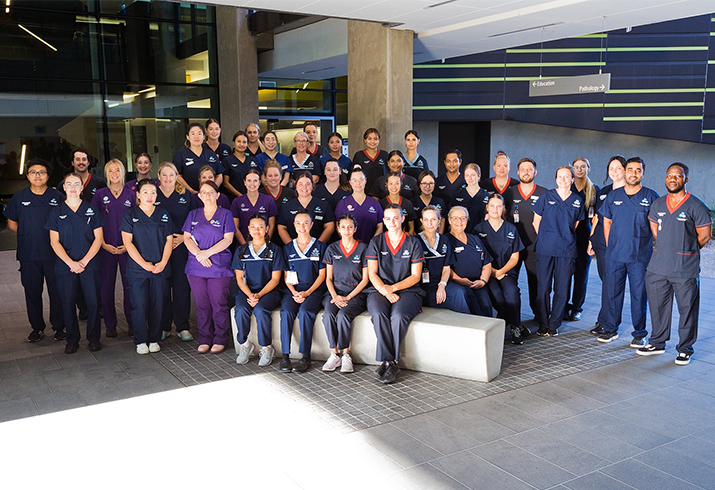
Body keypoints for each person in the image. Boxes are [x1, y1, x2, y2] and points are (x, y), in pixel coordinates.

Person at [638, 163, 711, 365]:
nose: (673, 179)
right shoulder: (658, 204)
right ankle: (657, 342)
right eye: (669, 175)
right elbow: (655, 230)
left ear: (685, 179)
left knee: (687, 309)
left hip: (684, 269)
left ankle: (685, 348)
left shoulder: (696, 206)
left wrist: (686, 251)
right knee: (658, 307)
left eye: (677, 176)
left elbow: (704, 236)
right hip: (658, 267)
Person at [596, 157, 658, 346]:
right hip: (615, 255)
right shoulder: (614, 196)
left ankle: (639, 333)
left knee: (639, 295)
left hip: (639, 257)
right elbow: (606, 221)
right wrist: (611, 244)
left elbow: (656, 225)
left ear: (643, 173)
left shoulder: (651, 196)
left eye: (637, 170)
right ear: (625, 172)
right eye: (630, 169)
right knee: (612, 293)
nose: (633, 173)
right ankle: (610, 329)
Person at [3, 158, 65, 342]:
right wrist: (29, 233)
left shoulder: (57, 197)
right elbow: (12, 224)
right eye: (33, 172)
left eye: (42, 172)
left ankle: (59, 327)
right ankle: (37, 328)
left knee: (57, 292)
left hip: (54, 254)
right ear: (28, 175)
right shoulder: (20, 197)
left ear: (48, 175)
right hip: (29, 254)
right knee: (32, 291)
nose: (38, 176)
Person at [366, 204, 425, 384]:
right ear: (383, 221)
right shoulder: (376, 242)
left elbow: (415, 276)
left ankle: (389, 361)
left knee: (398, 316)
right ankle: (389, 361)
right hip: (380, 288)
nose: (392, 221)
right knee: (378, 313)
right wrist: (385, 289)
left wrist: (393, 288)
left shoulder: (413, 242)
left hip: (408, 290)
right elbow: (372, 273)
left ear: (402, 219)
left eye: (395, 218)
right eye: (388, 218)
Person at [46, 173, 104, 354]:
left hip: (90, 264)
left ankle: (94, 338)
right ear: (64, 187)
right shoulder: (56, 212)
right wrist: (71, 263)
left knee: (93, 302)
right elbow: (54, 242)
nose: (72, 187)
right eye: (68, 184)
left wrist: (84, 262)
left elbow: (98, 238)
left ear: (81, 188)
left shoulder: (91, 210)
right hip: (65, 265)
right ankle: (72, 340)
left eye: (76, 184)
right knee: (68, 302)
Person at [183, 181, 236, 354]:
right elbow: (187, 238)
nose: (207, 195)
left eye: (211, 192)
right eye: (203, 192)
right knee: (201, 304)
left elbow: (228, 239)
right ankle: (205, 338)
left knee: (218, 303)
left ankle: (221, 338)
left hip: (218, 266)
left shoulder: (225, 214)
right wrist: (199, 254)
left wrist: (207, 254)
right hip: (196, 267)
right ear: (199, 196)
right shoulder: (193, 214)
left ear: (217, 195)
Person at [120, 179, 173, 355]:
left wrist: (163, 263)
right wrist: (144, 264)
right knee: (139, 305)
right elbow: (128, 243)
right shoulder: (130, 215)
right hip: (138, 270)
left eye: (153, 193)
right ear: (138, 195)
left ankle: (154, 338)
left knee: (158, 305)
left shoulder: (163, 214)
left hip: (159, 268)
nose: (149, 196)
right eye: (145, 192)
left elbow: (169, 240)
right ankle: (141, 340)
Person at [532, 166, 585, 337]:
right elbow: (536, 223)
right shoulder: (546, 197)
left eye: (567, 177)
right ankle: (543, 322)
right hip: (546, 249)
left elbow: (575, 226)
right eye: (560, 176)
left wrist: (562, 237)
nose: (563, 180)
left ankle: (554, 324)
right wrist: (548, 238)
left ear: (572, 179)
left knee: (562, 289)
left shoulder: (577, 201)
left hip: (566, 250)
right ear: (556, 179)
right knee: (543, 287)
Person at [233, 214, 285, 367]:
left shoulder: (275, 250)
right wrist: (250, 294)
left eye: (261, 227)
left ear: (267, 228)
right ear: (248, 229)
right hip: (247, 290)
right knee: (241, 309)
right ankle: (244, 344)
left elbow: (275, 279)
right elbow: (239, 278)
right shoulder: (241, 250)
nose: (257, 230)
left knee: (261, 310)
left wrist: (259, 295)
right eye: (253, 227)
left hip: (269, 291)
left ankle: (266, 347)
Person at [473, 194, 526, 344]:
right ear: (487, 207)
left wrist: (500, 272)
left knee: (511, 292)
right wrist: (493, 272)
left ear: (503, 208)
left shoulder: (511, 229)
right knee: (497, 296)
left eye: (498, 206)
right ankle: (514, 323)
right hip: (487, 272)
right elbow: (477, 256)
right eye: (492, 206)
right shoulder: (479, 229)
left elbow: (515, 258)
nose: (495, 209)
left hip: (507, 271)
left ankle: (515, 327)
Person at [279, 211, 327, 373]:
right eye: (298, 223)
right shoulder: (287, 248)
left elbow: (322, 275)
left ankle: (305, 356)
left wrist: (307, 292)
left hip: (313, 291)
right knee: (286, 312)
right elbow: (286, 275)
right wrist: (294, 292)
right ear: (294, 225)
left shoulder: (320, 247)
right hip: (292, 290)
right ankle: (285, 356)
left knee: (306, 312)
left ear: (311, 225)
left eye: (305, 223)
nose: (302, 226)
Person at [91, 159, 135, 338]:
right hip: (106, 247)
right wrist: (102, 244)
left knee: (130, 287)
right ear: (106, 174)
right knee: (106, 287)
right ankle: (110, 324)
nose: (114, 174)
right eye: (111, 171)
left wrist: (129, 245)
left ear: (123, 172)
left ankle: (133, 322)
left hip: (127, 248)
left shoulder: (131, 194)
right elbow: (94, 222)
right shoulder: (100, 194)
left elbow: (136, 222)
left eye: (117, 170)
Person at [321, 214, 369, 373]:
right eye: (343, 227)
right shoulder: (332, 248)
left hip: (355, 293)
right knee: (328, 314)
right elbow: (328, 278)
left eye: (350, 227)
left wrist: (348, 297)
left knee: (343, 315)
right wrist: (335, 296)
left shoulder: (363, 249)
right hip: (335, 292)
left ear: (355, 228)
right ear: (338, 229)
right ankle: (334, 354)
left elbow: (365, 280)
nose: (346, 230)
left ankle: (346, 354)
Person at [154, 162, 195, 342]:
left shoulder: (185, 195)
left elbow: (195, 220)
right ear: (159, 177)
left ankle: (182, 326)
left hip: (181, 247)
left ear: (177, 176)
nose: (168, 179)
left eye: (172, 175)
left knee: (181, 287)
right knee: (162, 288)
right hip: (158, 249)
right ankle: (164, 326)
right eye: (164, 175)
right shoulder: (153, 195)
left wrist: (182, 238)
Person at [503, 158, 547, 320]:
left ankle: (538, 313)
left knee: (535, 281)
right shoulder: (510, 193)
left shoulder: (543, 193)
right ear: (517, 172)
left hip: (534, 246)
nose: (526, 172)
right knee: (510, 282)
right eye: (523, 169)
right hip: (513, 246)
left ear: (535, 172)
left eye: (530, 169)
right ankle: (511, 316)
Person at [587, 155, 626, 336]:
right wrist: (591, 240)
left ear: (625, 170)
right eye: (611, 168)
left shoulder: (630, 191)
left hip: (618, 245)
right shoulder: (603, 191)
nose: (614, 172)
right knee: (607, 283)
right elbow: (596, 218)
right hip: (601, 243)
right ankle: (605, 319)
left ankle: (609, 323)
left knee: (613, 284)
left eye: (618, 168)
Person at [417, 205, 471, 315]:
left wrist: (442, 286)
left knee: (460, 292)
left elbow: (446, 268)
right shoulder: (415, 241)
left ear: (439, 220)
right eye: (426, 220)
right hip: (422, 286)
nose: (430, 223)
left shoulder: (444, 240)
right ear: (421, 221)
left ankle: (466, 326)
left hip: (441, 282)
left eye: (433, 219)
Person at [564, 157, 599, 321]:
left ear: (588, 169)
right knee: (564, 274)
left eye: (582, 167)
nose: (579, 170)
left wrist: (592, 240)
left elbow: (596, 217)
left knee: (581, 274)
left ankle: (577, 307)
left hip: (585, 235)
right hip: (567, 235)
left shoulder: (594, 189)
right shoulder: (567, 187)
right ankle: (563, 306)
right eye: (576, 167)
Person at [446, 206, 494, 317]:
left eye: (463, 218)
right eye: (455, 218)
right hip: (459, 284)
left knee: (486, 306)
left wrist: (483, 281)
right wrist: (459, 280)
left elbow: (486, 263)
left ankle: (488, 333)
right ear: (449, 220)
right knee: (474, 308)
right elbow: (445, 266)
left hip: (478, 283)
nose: (459, 222)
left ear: (467, 220)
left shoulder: (475, 239)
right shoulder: (446, 240)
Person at [277, 171, 335, 244]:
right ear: (296, 186)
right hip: (293, 251)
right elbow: (281, 228)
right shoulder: (286, 206)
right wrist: (291, 246)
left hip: (316, 251)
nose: (304, 187)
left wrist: (319, 245)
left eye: (307, 184)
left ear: (312, 186)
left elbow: (330, 227)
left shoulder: (323, 205)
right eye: (300, 184)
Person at [335, 168, 384, 244]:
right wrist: (350, 243)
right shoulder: (343, 203)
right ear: (350, 182)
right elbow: (338, 226)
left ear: (365, 180)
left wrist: (373, 244)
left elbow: (380, 226)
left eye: (361, 180)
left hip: (371, 248)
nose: (358, 183)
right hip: (350, 247)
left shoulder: (374, 203)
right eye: (354, 180)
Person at [230, 168, 278, 245]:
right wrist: (244, 245)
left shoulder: (268, 200)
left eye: (255, 181)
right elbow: (235, 227)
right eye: (249, 181)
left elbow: (271, 225)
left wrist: (264, 242)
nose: (252, 184)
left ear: (259, 182)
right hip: (243, 244)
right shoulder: (237, 201)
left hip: (264, 244)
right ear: (244, 182)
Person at [172, 123, 223, 194]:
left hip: (210, 195)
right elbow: (177, 176)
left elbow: (219, 175)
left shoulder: (211, 154)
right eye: (193, 134)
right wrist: (191, 191)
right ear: (187, 137)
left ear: (203, 137)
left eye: (199, 134)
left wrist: (212, 189)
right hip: (189, 195)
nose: (196, 136)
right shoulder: (181, 155)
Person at [451, 163, 489, 230]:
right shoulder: (457, 195)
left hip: (480, 234)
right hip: (461, 233)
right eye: (467, 175)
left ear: (479, 176)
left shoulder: (487, 196)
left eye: (473, 175)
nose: (470, 178)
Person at [222, 130, 260, 197]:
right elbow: (226, 183)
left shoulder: (253, 160)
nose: (241, 144)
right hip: (234, 198)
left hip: (252, 197)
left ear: (247, 144)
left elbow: (259, 179)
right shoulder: (227, 160)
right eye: (238, 141)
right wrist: (241, 196)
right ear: (234, 143)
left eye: (244, 142)